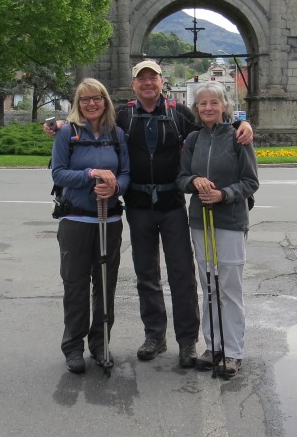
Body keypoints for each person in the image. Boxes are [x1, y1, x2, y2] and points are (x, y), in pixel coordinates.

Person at [117, 60, 253, 368]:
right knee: (146, 275)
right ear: (134, 84)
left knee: (182, 274)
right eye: (141, 78)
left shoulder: (179, 114)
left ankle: (188, 340)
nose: (147, 83)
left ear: (161, 82)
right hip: (139, 205)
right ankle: (155, 336)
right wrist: (61, 126)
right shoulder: (124, 115)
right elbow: (93, 120)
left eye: (153, 78)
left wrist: (243, 126)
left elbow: (213, 128)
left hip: (173, 205)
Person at [177, 83, 259, 378]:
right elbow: (181, 177)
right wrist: (194, 181)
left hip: (231, 221)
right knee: (209, 285)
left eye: (214, 102)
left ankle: (233, 351)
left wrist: (223, 194)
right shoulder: (193, 139)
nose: (208, 107)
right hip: (201, 221)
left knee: (229, 288)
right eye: (203, 103)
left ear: (224, 106)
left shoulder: (239, 137)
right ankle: (213, 346)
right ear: (196, 108)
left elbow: (250, 182)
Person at [51, 79, 130, 375]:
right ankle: (73, 347)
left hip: (109, 221)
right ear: (78, 103)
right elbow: (59, 174)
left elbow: (126, 173)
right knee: (75, 285)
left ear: (105, 101)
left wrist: (115, 188)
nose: (91, 103)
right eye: (85, 99)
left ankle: (101, 345)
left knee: (105, 286)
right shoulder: (67, 133)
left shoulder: (116, 134)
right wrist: (90, 174)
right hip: (76, 221)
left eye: (96, 98)